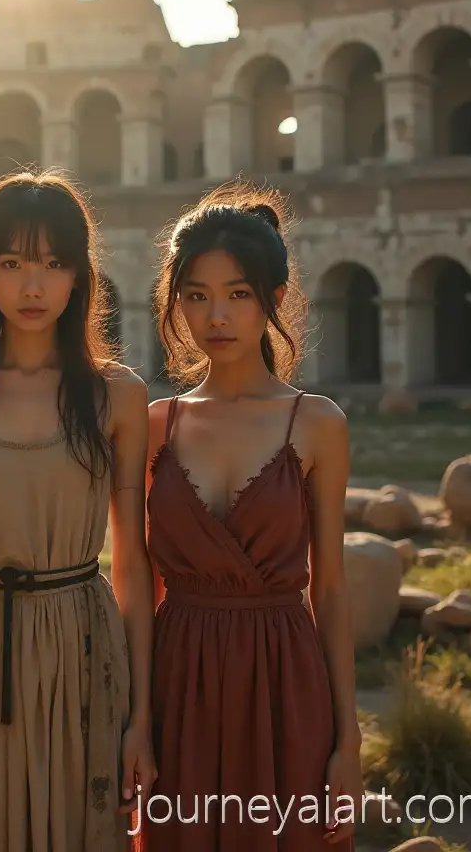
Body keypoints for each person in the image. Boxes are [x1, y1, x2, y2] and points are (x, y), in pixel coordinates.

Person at [0, 170, 157, 852]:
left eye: (53, 263)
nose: (33, 286)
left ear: (80, 277)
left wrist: (143, 717)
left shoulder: (118, 397)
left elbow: (133, 560)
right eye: (12, 263)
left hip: (83, 641)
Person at [138, 181, 362, 851]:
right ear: (175, 302)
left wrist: (347, 737)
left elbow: (331, 588)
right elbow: (141, 589)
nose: (217, 317)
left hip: (285, 683)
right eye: (195, 295)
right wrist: (138, 722)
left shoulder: (316, 422)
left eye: (238, 294)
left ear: (273, 298)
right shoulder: (155, 425)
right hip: (181, 681)